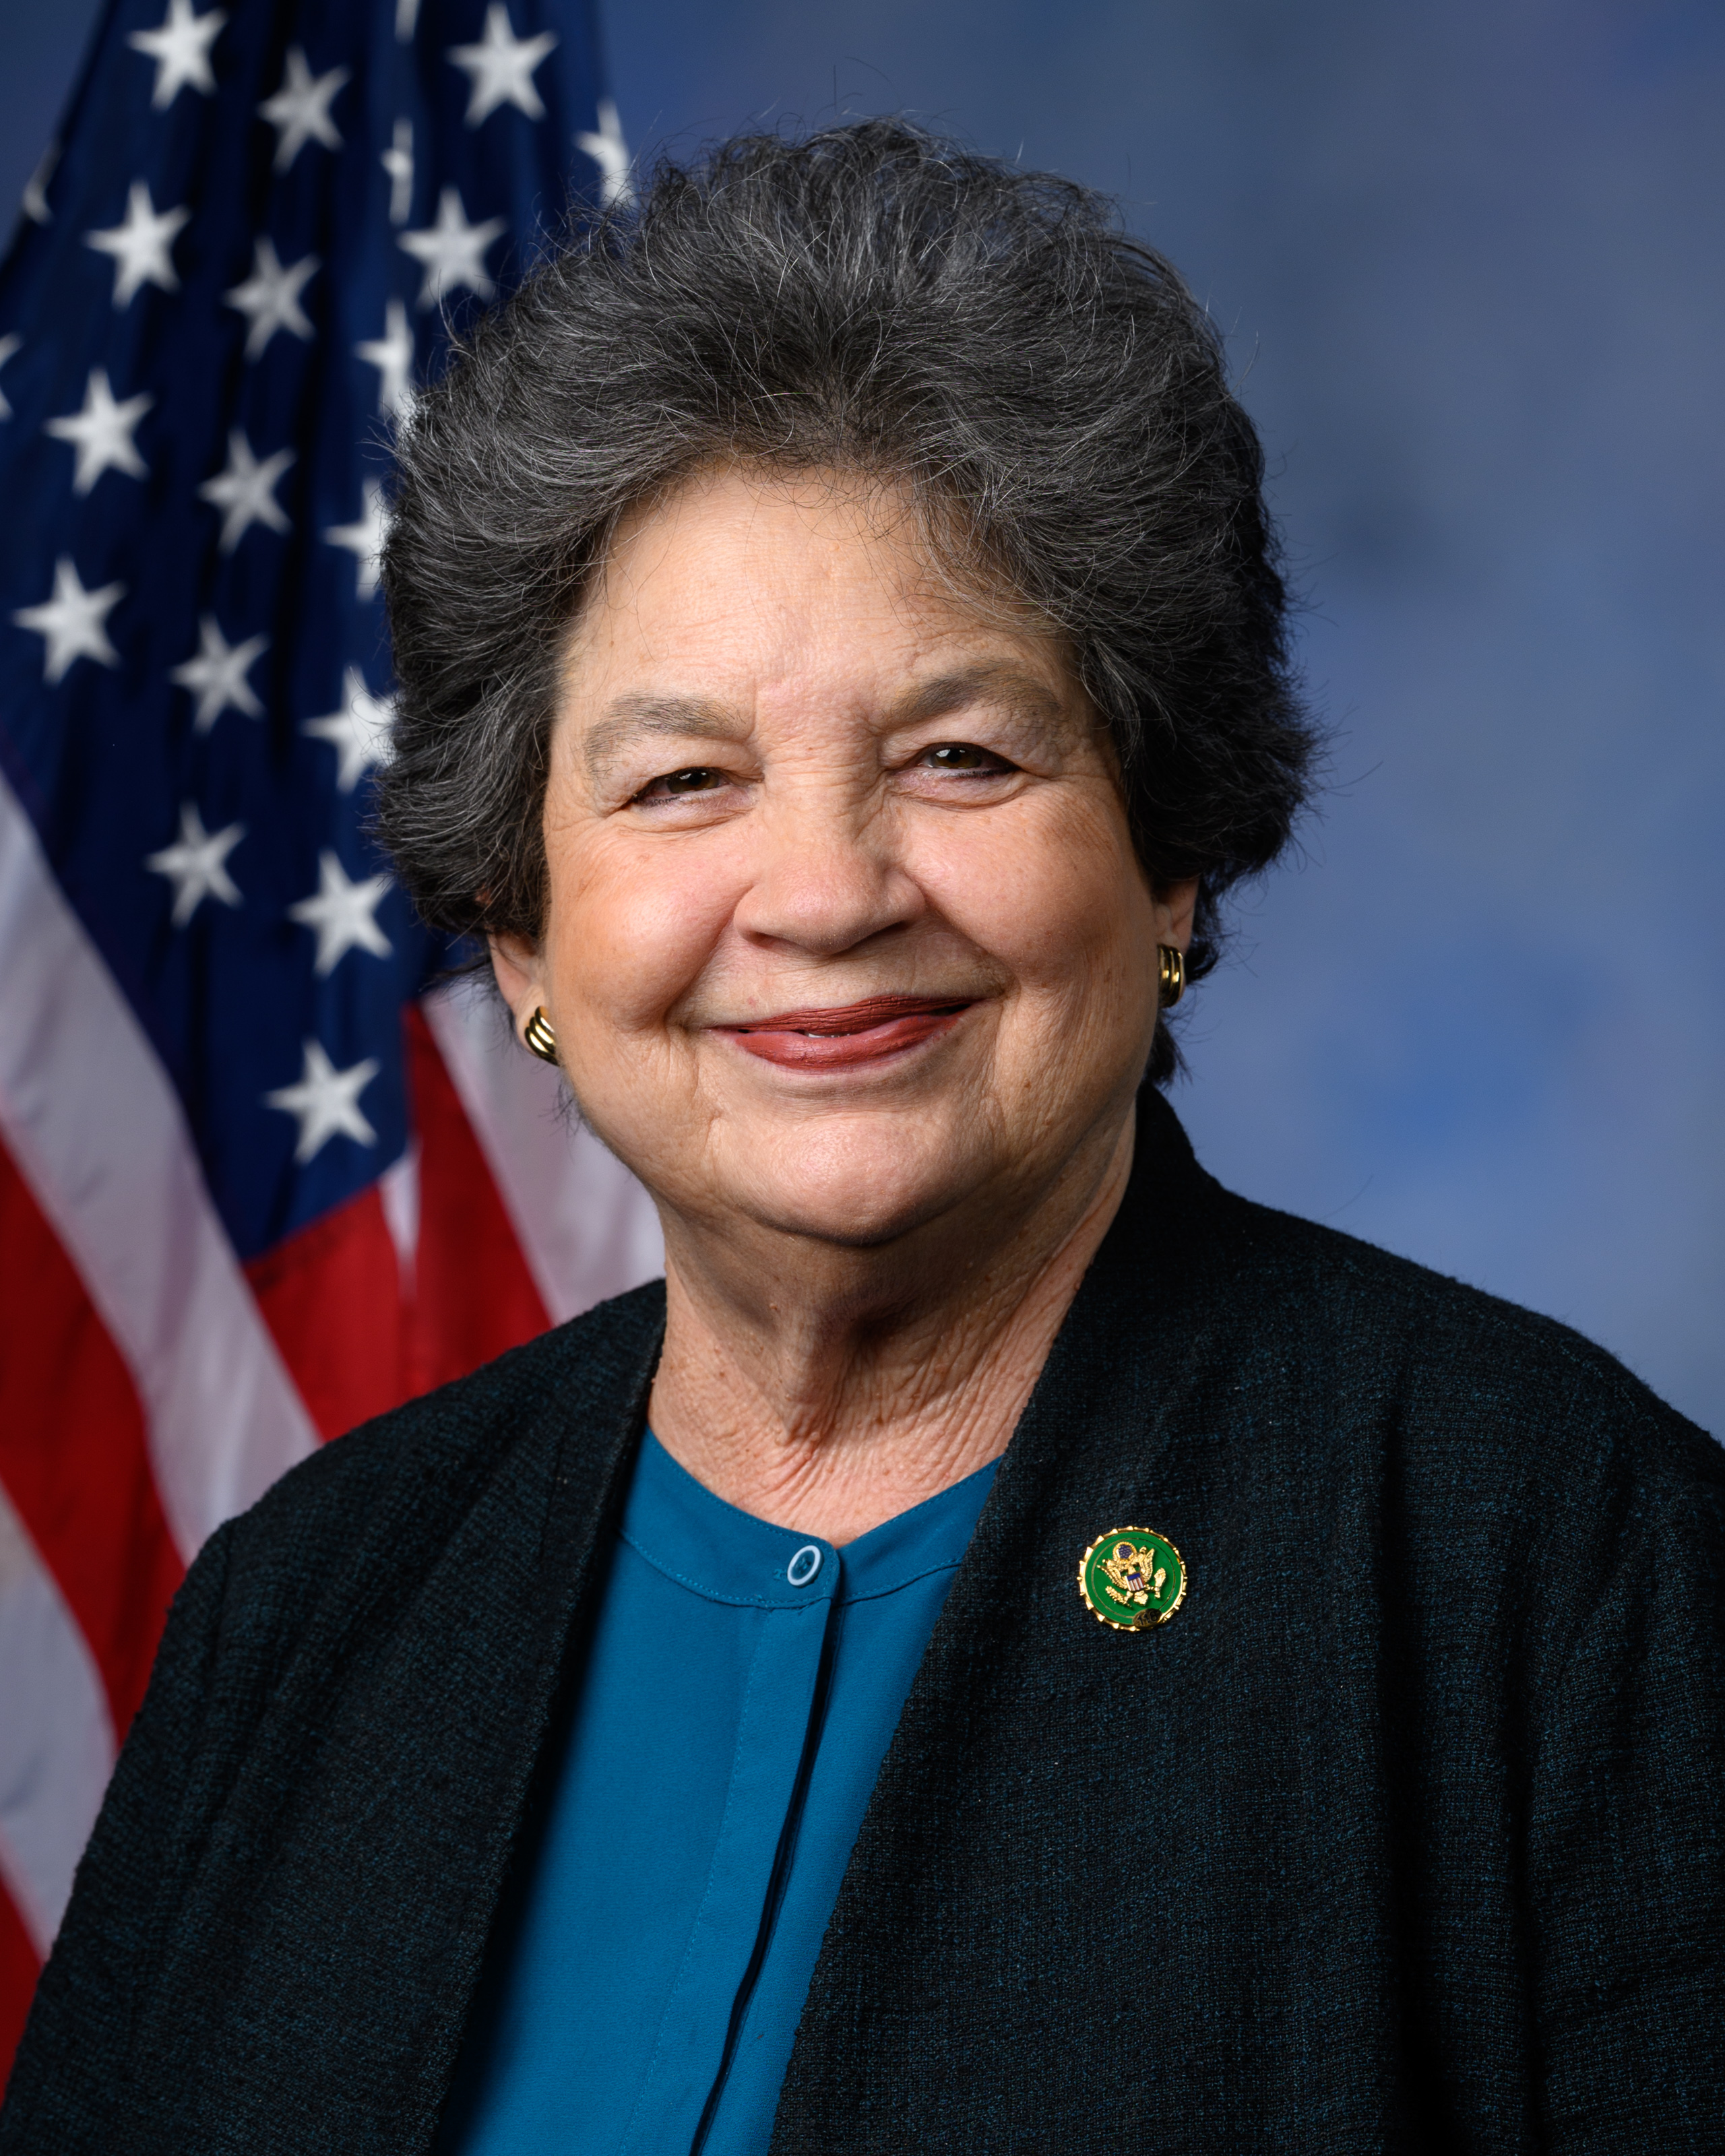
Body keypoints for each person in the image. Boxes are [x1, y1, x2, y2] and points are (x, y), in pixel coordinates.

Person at [3, 121, 1720, 2156]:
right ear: (520, 926)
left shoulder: (1553, 1551)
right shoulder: (310, 1610)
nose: (823, 893)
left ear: (1166, 863)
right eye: (682, 780)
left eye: (960, 755)